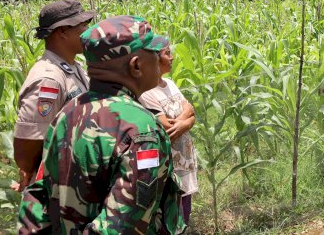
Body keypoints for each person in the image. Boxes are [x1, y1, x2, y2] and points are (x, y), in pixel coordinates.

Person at [17, 16, 186, 234]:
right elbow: (125, 224)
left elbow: (37, 195)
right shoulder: (141, 129)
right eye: (154, 52)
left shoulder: (68, 112)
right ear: (136, 65)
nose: (160, 58)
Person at [12, 0, 94, 192]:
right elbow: (28, 145)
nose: (88, 32)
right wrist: (30, 172)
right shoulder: (49, 78)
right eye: (82, 25)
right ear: (63, 31)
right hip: (56, 189)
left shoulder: (74, 68)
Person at [139, 37, 198, 225]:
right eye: (167, 53)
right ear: (154, 59)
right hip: (168, 169)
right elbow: (168, 129)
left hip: (185, 164)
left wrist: (186, 119)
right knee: (170, 220)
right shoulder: (146, 92)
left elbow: (192, 113)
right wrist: (186, 116)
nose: (172, 58)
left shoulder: (171, 84)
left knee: (184, 216)